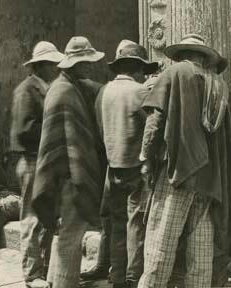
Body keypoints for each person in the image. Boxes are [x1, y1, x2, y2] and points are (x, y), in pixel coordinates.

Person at [138, 34, 231, 288]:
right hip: (210, 177)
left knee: (161, 240)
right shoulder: (219, 85)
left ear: (182, 55)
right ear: (204, 57)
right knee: (201, 249)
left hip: (178, 171)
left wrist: (146, 157)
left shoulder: (175, 73)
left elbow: (155, 121)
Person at [32, 36, 107, 288]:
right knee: (71, 237)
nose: (90, 66)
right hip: (69, 177)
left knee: (66, 235)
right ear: (74, 64)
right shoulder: (65, 91)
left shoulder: (65, 85)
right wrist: (81, 174)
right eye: (85, 62)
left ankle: (55, 281)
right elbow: (72, 142)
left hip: (64, 174)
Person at [96, 39, 159, 288]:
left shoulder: (105, 91)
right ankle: (133, 277)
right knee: (136, 225)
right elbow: (152, 129)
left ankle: (117, 276)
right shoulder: (139, 92)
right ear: (136, 67)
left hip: (113, 167)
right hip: (135, 167)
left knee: (117, 224)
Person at [10, 41, 64, 288]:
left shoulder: (45, 87)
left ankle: (43, 269)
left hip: (44, 161)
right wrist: (52, 131)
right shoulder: (26, 91)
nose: (56, 68)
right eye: (53, 64)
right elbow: (24, 131)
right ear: (41, 65)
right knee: (32, 218)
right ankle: (32, 274)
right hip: (32, 160)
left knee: (46, 217)